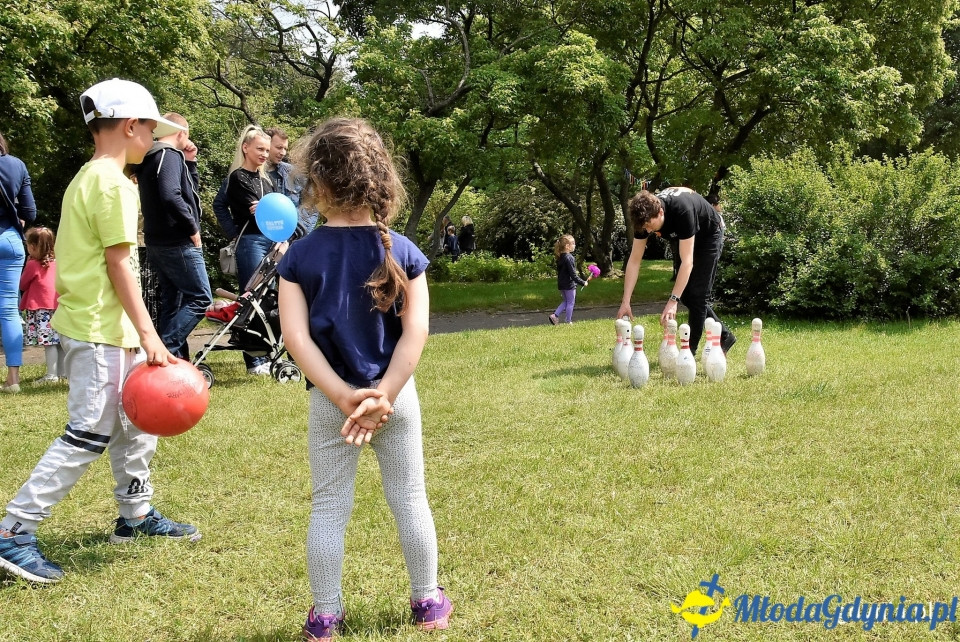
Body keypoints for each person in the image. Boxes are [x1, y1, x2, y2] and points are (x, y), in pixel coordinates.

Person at [0, 78, 200, 585]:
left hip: (108, 329)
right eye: (151, 131)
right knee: (89, 431)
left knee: (136, 425)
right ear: (131, 126)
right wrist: (151, 334)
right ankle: (14, 531)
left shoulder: (88, 177)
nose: (153, 140)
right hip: (101, 329)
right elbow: (119, 265)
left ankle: (135, 517)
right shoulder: (113, 184)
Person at [278, 117, 453, 639]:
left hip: (333, 407)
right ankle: (426, 601)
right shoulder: (402, 250)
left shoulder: (300, 256)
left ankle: (326, 614)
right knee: (410, 498)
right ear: (379, 179)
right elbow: (415, 334)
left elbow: (296, 340)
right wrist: (385, 395)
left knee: (329, 506)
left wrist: (342, 395)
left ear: (317, 184)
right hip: (396, 401)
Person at [618, 186, 735, 356]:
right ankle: (725, 335)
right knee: (686, 295)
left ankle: (689, 354)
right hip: (686, 237)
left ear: (660, 212)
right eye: (645, 228)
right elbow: (634, 261)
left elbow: (687, 262)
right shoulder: (643, 218)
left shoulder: (681, 211)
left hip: (709, 235)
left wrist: (672, 302)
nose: (649, 231)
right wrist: (625, 301)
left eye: (650, 226)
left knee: (697, 295)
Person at [135, 112, 212, 360]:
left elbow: (188, 193)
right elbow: (171, 195)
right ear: (182, 133)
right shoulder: (168, 154)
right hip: (176, 240)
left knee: (173, 302)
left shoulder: (152, 156)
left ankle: (176, 362)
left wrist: (191, 162)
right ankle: (165, 348)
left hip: (157, 241)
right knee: (201, 298)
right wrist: (192, 228)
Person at [226, 124, 276, 375]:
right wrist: (269, 208)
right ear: (245, 148)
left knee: (268, 298)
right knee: (251, 300)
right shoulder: (238, 177)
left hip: (270, 241)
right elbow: (260, 211)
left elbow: (271, 210)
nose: (265, 154)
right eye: (260, 149)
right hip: (252, 242)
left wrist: (268, 207)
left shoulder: (265, 179)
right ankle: (253, 362)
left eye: (267, 150)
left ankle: (267, 355)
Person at [0, 130, 36, 394]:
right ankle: (13, 380)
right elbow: (30, 211)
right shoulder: (16, 165)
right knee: (9, 310)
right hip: (10, 241)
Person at [19, 226, 64, 383]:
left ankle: (51, 375)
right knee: (59, 340)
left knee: (49, 342)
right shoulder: (58, 262)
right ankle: (62, 372)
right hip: (58, 306)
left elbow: (23, 285)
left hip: (41, 308)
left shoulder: (33, 265)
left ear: (32, 246)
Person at [548, 234, 590, 325]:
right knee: (570, 302)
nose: (575, 245)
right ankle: (568, 321)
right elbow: (573, 275)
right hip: (569, 285)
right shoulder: (569, 257)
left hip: (561, 284)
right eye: (573, 243)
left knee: (566, 301)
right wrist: (583, 282)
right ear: (567, 246)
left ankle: (555, 315)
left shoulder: (560, 257)